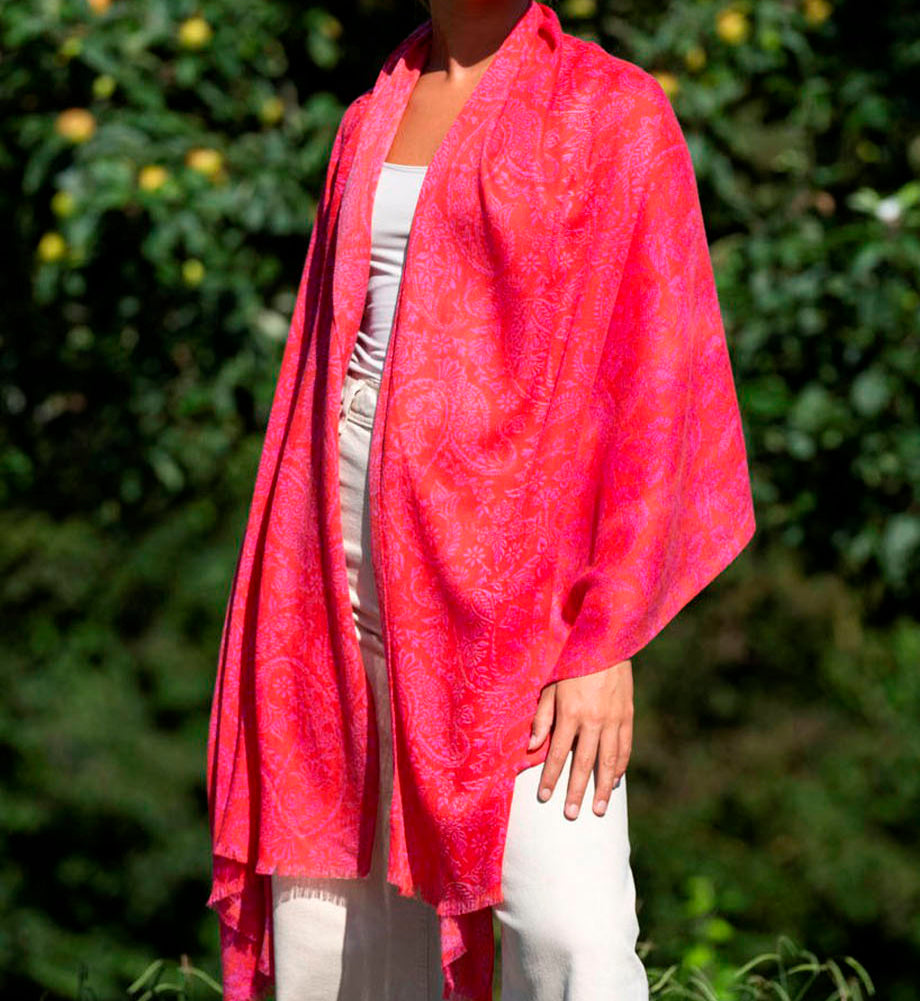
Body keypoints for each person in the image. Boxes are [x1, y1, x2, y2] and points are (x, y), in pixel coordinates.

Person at [205, 2, 756, 999]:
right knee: (342, 942)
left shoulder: (612, 112)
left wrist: (608, 637)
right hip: (331, 560)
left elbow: (655, 380)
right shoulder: (372, 109)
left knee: (572, 936)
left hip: (512, 596)